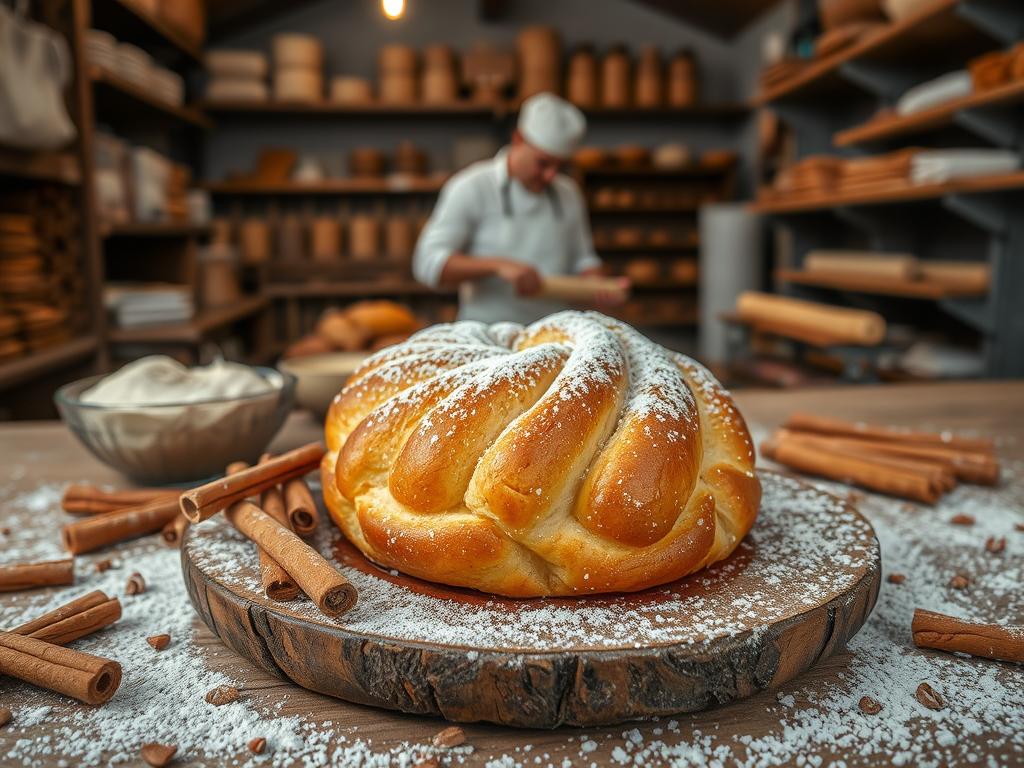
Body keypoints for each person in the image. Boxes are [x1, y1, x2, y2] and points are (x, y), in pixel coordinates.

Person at [412, 92, 628, 324]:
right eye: (543, 163)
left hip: (555, 335)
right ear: (518, 139)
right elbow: (428, 264)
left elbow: (583, 259)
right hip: (487, 335)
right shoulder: (472, 187)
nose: (550, 175)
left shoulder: (568, 193)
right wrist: (497, 266)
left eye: (561, 166)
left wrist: (599, 286)